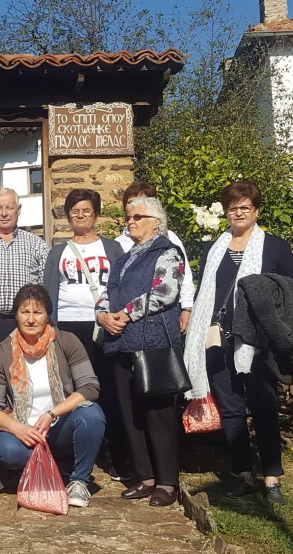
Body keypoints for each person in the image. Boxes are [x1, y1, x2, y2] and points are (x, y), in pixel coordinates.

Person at [184, 180, 293, 505]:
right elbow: (205, 291)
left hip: (257, 340)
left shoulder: (274, 247)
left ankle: (271, 477)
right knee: (232, 410)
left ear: (256, 211)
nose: (239, 213)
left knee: (264, 406)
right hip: (218, 339)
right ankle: (243, 474)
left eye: (245, 207)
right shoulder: (213, 249)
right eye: (233, 208)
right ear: (226, 212)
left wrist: (267, 289)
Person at [96, 196, 185, 507]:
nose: (130, 222)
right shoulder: (123, 259)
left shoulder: (167, 252)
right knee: (130, 413)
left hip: (153, 343)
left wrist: (125, 313)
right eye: (128, 217)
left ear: (155, 222)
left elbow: (166, 292)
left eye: (137, 217)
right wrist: (103, 316)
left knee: (158, 414)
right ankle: (145, 477)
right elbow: (107, 293)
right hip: (120, 343)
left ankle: (167, 482)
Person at [0, 284, 105, 508]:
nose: (31, 319)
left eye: (38, 312)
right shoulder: (2, 353)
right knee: (8, 450)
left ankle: (79, 481)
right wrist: (17, 428)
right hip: (24, 430)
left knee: (92, 414)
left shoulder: (67, 341)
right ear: (16, 315)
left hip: (59, 427)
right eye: (24, 312)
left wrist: (52, 414)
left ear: (48, 315)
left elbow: (90, 386)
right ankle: (52, 468)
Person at [42, 188, 128, 481]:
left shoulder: (112, 249)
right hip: (68, 328)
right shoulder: (59, 252)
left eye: (86, 211)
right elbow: (49, 293)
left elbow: (123, 285)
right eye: (75, 211)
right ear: (68, 216)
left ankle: (117, 456)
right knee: (70, 390)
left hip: (104, 326)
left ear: (96, 214)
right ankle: (71, 454)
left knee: (110, 390)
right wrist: (50, 327)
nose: (80, 216)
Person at [0, 187, 49, 349]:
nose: (4, 213)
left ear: (18, 210)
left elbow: (45, 288)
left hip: (25, 323)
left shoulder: (36, 244)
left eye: (9, 208)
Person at [116, 182, 195, 333]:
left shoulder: (168, 238)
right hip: (124, 318)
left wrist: (187, 308)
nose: (137, 206)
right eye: (131, 202)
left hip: (161, 315)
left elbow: (184, 276)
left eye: (144, 201)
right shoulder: (118, 243)